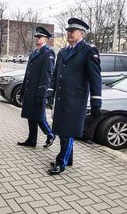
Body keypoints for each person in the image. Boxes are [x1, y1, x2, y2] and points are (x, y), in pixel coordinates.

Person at [46, 18, 102, 175]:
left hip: (76, 101)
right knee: (61, 130)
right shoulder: (63, 52)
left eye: (73, 31)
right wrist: (50, 91)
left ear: (82, 34)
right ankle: (68, 158)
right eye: (68, 31)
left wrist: (96, 102)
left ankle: (61, 162)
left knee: (67, 133)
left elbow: (95, 78)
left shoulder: (89, 51)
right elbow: (55, 75)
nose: (69, 33)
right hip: (62, 99)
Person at [17, 26, 56, 148]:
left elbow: (47, 75)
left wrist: (42, 93)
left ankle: (50, 134)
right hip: (30, 90)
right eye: (36, 37)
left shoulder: (48, 53)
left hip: (38, 91)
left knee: (39, 116)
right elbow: (28, 73)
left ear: (46, 39)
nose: (37, 39)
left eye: (40, 37)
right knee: (30, 115)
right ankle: (31, 139)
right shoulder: (34, 53)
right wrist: (23, 90)